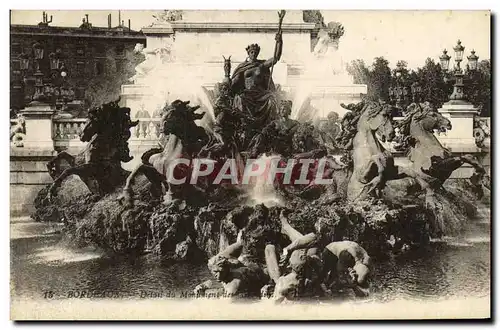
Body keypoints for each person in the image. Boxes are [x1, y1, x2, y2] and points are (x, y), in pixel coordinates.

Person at [279, 213, 372, 298]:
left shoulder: (336, 245)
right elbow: (290, 247)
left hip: (317, 253)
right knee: (297, 237)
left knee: (297, 238)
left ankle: (285, 224)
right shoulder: (316, 237)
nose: (330, 232)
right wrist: (286, 252)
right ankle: (284, 223)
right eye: (328, 230)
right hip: (308, 252)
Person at [230, 30, 284, 145]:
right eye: (251, 52)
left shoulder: (261, 65)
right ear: (248, 53)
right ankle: (244, 125)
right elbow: (234, 82)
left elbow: (276, 58)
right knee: (241, 98)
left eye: (255, 52)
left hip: (260, 94)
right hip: (247, 93)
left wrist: (279, 41)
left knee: (271, 99)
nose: (253, 54)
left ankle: (270, 125)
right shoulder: (242, 67)